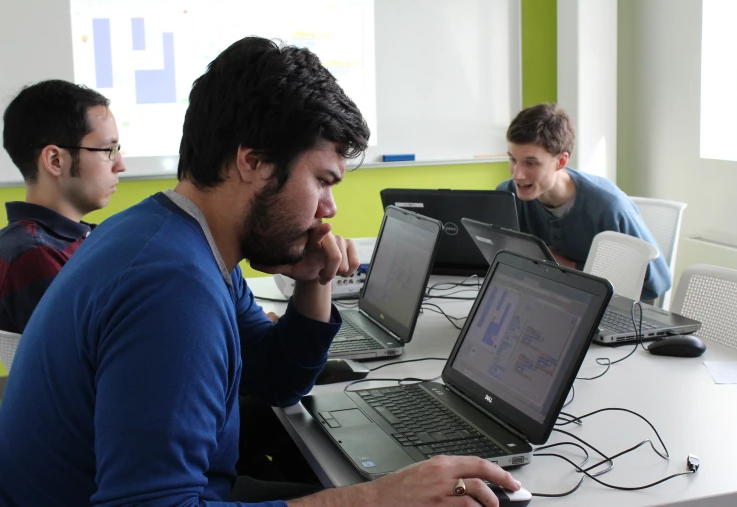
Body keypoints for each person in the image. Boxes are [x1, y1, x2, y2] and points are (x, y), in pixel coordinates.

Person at [0, 37, 522, 506]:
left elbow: (275, 379)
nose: (330, 209)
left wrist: (314, 282)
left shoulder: (180, 239)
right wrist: (378, 499)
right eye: (322, 180)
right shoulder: (172, 288)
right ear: (251, 161)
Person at [496, 103, 671, 301]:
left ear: (561, 161)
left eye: (530, 163)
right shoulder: (507, 194)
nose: (517, 174)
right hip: (540, 300)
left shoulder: (608, 207)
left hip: (601, 310)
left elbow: (657, 284)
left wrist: (570, 268)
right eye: (512, 159)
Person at [0, 79, 126, 333]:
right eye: (107, 150)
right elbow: (87, 355)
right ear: (55, 160)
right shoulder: (34, 254)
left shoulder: (84, 238)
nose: (120, 164)